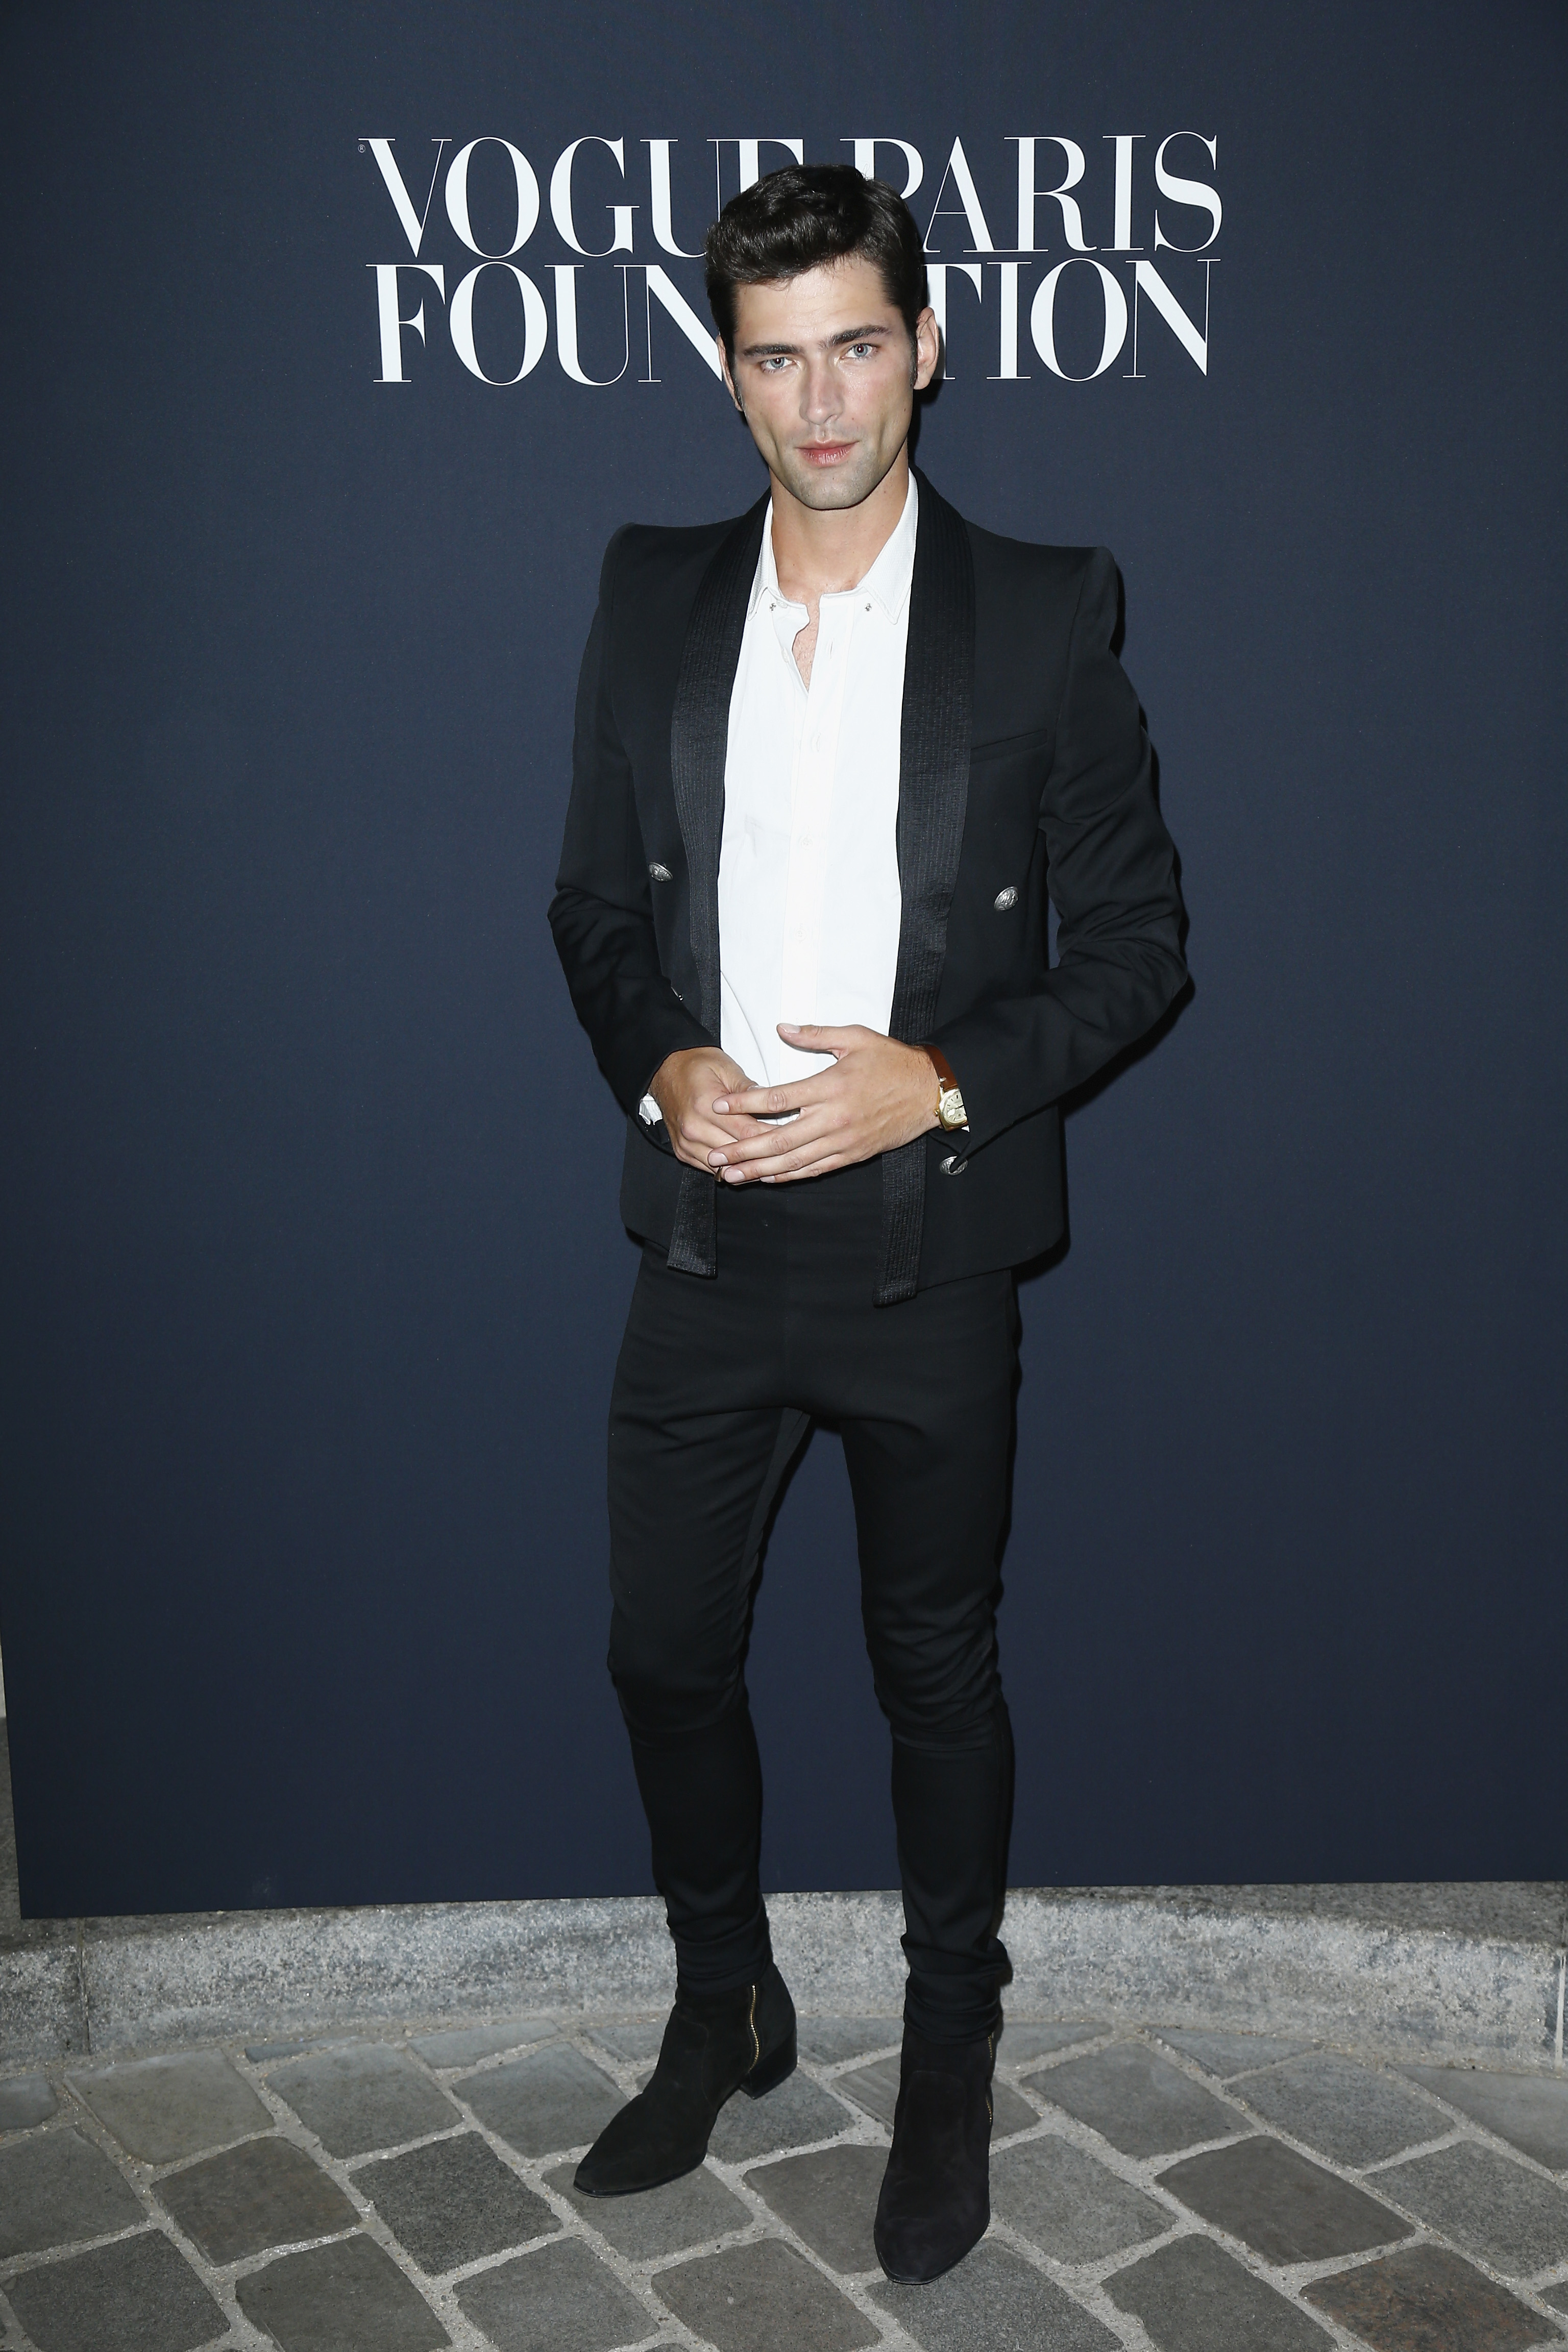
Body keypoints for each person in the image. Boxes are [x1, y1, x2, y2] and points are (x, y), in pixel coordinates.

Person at [548, 162, 1185, 2283]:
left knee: (935, 1673)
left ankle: (945, 2059)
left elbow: (1142, 943)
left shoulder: (1045, 609)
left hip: (930, 1247)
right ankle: (726, 2002)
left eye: (854, 347)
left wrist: (950, 1079)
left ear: (926, 347)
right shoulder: (650, 592)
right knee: (660, 1652)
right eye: (774, 359)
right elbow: (591, 907)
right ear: (726, 377)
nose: (820, 403)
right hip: (705, 1237)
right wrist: (663, 1064)